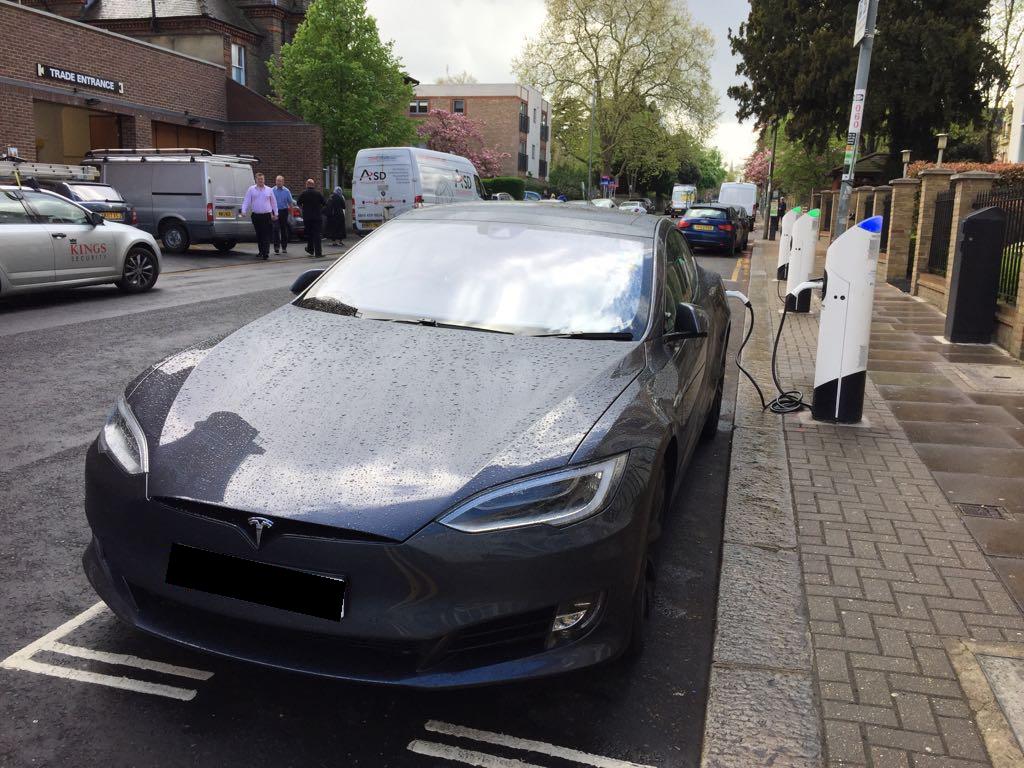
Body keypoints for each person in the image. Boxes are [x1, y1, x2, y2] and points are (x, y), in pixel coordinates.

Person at [241, 172, 277, 260]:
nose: (261, 181)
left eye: (262, 179)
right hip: (256, 216)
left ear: (264, 180)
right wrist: (243, 210)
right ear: (256, 180)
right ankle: (261, 251)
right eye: (259, 179)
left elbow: (273, 202)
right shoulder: (251, 189)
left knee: (266, 234)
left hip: (266, 215)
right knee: (259, 234)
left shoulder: (269, 190)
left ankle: (266, 252)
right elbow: (247, 200)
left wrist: (276, 213)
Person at [296, 178, 326, 258]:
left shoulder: (303, 193)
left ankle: (310, 249)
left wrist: (303, 210)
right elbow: (324, 203)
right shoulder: (318, 193)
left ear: (307, 185)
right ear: (313, 185)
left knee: (309, 234)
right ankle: (318, 253)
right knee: (317, 235)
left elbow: (298, 203)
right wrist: (320, 210)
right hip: (317, 217)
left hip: (307, 217)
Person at [272, 175, 295, 255]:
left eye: (280, 181)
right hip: (275, 211)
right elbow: (269, 202)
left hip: (284, 211)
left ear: (283, 182)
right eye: (277, 181)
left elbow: (290, 203)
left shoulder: (286, 191)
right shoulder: (272, 190)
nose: (278, 182)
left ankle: (284, 247)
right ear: (276, 181)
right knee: (275, 229)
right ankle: (276, 247)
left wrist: (291, 215)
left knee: (283, 229)